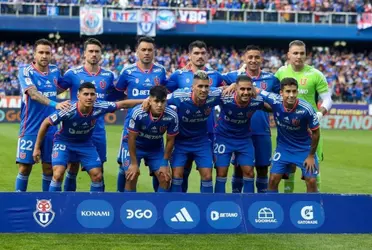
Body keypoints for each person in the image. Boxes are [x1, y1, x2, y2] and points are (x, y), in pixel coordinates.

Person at [32, 82, 144, 192]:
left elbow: (123, 104)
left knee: (98, 175)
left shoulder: (99, 106)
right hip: (64, 142)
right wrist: (37, 148)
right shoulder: (68, 109)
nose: (89, 97)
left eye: (92, 94)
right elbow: (46, 122)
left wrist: (145, 101)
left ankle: (96, 207)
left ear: (96, 96)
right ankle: (53, 204)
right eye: (86, 94)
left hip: (85, 144)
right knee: (58, 174)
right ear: (78, 96)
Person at [165, 40, 226, 193]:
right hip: (182, 132)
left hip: (206, 132)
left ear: (207, 56)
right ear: (189, 55)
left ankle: (206, 207)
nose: (200, 56)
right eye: (196, 53)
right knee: (181, 173)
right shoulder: (178, 75)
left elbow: (226, 92)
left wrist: (232, 86)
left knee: (207, 173)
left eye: (203, 53)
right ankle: (179, 205)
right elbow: (166, 96)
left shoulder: (215, 75)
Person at [58, 38, 117, 192]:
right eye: (90, 51)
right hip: (74, 128)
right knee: (72, 167)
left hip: (97, 129)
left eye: (97, 51)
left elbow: (114, 97)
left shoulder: (108, 75)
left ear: (101, 55)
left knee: (99, 170)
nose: (94, 54)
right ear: (84, 53)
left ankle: (97, 206)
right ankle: (68, 202)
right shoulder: (72, 74)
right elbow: (55, 90)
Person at [275, 40, 332, 193]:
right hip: (288, 130)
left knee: (313, 169)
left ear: (306, 55)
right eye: (295, 53)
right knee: (289, 169)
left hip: (310, 129)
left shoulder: (315, 74)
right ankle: (288, 200)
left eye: (301, 53)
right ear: (288, 55)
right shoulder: (281, 72)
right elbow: (273, 96)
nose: (298, 56)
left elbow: (327, 99)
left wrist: (320, 114)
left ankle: (316, 202)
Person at [222, 45, 280, 193]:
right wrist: (235, 84)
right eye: (250, 57)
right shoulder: (232, 76)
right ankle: (237, 201)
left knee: (262, 169)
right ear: (244, 59)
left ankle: (259, 203)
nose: (253, 60)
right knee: (239, 169)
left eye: (257, 57)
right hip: (239, 134)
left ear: (261, 59)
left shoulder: (271, 79)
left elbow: (278, 102)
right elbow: (211, 83)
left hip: (261, 130)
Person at [15, 38, 70, 192]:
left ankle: (47, 203)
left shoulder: (54, 70)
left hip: (52, 129)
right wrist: (55, 104)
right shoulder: (25, 71)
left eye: (47, 53)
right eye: (41, 52)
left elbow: (57, 88)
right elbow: (32, 93)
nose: (44, 56)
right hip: (30, 128)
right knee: (25, 168)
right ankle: (18, 202)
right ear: (34, 54)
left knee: (49, 169)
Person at [115, 36, 168, 192]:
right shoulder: (127, 71)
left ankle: (160, 206)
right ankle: (121, 200)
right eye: (143, 50)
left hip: (155, 131)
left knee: (163, 175)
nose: (146, 53)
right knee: (127, 172)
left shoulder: (161, 71)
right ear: (137, 51)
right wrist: (139, 104)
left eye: (150, 50)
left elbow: (164, 94)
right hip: (133, 129)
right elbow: (118, 93)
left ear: (154, 52)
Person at [258, 78, 320, 193]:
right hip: (283, 149)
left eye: (294, 91)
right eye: (288, 91)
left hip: (304, 149)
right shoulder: (274, 99)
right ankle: (273, 207)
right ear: (281, 92)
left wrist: (311, 155)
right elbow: (255, 89)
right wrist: (232, 86)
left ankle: (313, 208)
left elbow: (316, 132)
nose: (291, 95)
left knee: (311, 181)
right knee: (273, 179)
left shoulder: (306, 109)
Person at [214, 75, 270, 193]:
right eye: (242, 89)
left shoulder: (256, 100)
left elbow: (274, 107)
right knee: (221, 172)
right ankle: (218, 204)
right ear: (236, 89)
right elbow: (207, 93)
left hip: (244, 139)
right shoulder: (225, 97)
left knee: (249, 172)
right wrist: (227, 87)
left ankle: (248, 204)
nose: (246, 92)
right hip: (224, 138)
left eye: (249, 89)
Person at [121, 86, 178, 192]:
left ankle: (160, 207)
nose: (160, 105)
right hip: (135, 147)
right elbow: (131, 138)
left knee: (165, 178)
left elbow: (170, 140)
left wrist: (165, 163)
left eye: (163, 101)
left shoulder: (172, 116)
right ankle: (127, 205)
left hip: (155, 148)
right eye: (156, 101)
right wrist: (134, 164)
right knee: (131, 175)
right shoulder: (138, 112)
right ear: (150, 100)